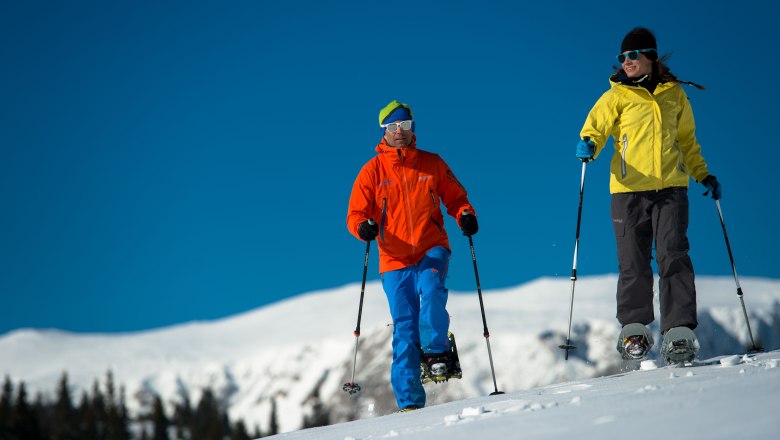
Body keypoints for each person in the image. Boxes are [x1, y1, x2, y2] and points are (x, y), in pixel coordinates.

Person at [575, 27, 722, 365]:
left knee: (673, 254)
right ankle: (635, 329)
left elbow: (687, 142)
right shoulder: (616, 96)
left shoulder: (675, 96)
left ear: (651, 57)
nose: (626, 62)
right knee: (633, 262)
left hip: (671, 188)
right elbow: (594, 127)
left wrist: (703, 174)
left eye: (633, 55)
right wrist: (590, 145)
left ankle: (678, 332)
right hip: (628, 192)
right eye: (622, 57)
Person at [347, 100, 478, 411]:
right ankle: (410, 403)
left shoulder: (432, 163)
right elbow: (355, 213)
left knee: (431, 289)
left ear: (413, 127)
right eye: (392, 127)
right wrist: (363, 227)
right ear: (384, 132)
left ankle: (437, 353)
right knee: (404, 324)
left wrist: (465, 215)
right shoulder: (372, 171)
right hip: (393, 259)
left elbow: (456, 197)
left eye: (405, 125)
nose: (400, 132)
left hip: (431, 246)